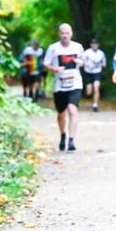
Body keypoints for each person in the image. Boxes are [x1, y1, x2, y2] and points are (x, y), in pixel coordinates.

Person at [43, 23, 85, 151]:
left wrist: (80, 62)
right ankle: (63, 135)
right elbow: (45, 65)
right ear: (59, 34)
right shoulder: (53, 48)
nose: (65, 35)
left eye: (67, 33)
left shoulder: (78, 47)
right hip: (60, 85)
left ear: (71, 33)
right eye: (62, 33)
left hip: (75, 83)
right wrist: (54, 68)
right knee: (61, 113)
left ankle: (72, 140)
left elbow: (83, 62)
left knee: (72, 110)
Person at [81, 38, 106, 111]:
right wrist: (88, 64)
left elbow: (104, 63)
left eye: (96, 44)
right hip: (88, 72)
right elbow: (82, 62)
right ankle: (89, 95)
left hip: (97, 72)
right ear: (91, 45)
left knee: (96, 87)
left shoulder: (101, 53)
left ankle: (95, 105)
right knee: (89, 92)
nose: (94, 45)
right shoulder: (87, 53)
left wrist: (101, 64)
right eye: (93, 44)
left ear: (98, 45)